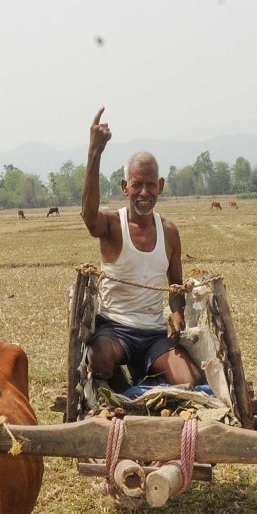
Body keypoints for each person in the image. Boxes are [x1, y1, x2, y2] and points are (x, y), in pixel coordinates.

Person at [80, 107, 202, 389]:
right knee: (99, 359)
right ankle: (124, 391)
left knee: (189, 381)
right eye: (137, 185)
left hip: (154, 334)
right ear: (125, 187)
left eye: (150, 185)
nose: (144, 193)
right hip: (114, 330)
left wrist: (177, 313)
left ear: (160, 187)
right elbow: (88, 217)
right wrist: (94, 152)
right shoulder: (112, 226)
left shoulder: (169, 232)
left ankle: (142, 382)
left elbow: (175, 287)